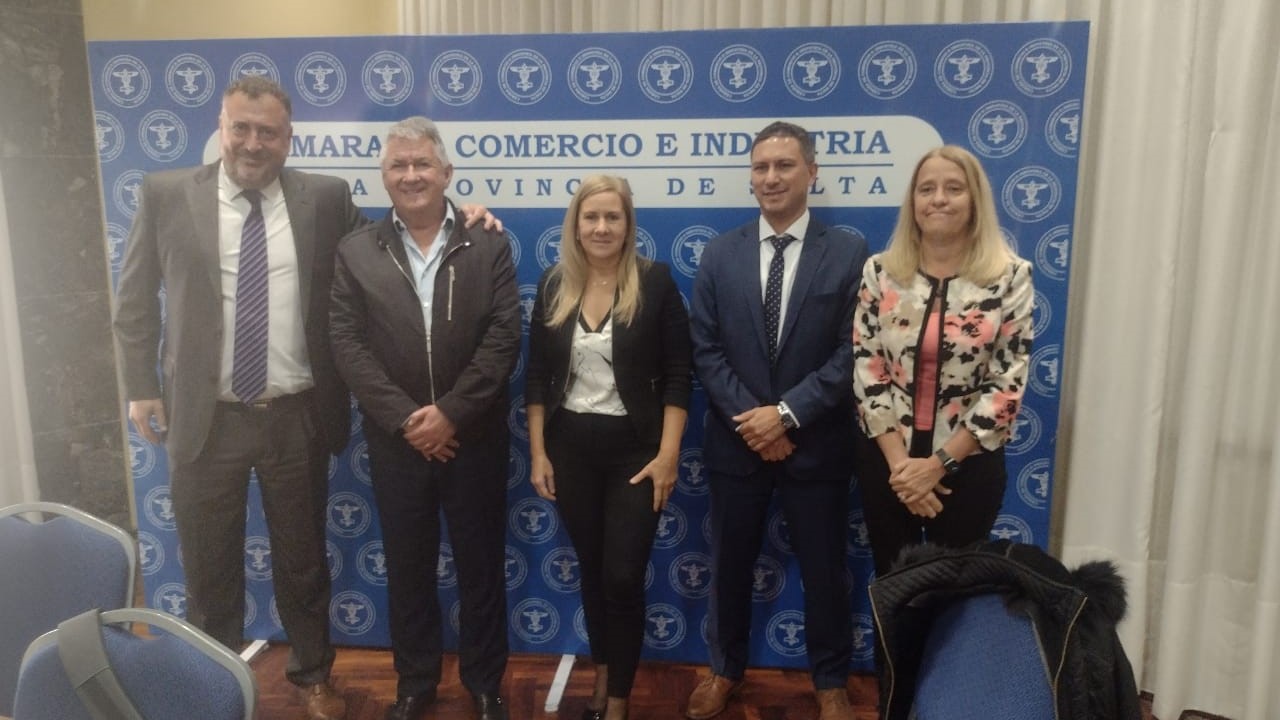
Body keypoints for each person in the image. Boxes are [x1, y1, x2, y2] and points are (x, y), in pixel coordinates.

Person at [112, 77, 498, 720]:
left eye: (267, 132)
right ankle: (212, 684)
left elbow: (396, 243)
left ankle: (313, 676)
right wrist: (141, 386)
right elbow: (132, 300)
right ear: (221, 128)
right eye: (241, 128)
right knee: (207, 565)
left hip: (295, 416)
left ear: (288, 138)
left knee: (302, 560)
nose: (252, 143)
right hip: (203, 417)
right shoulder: (166, 194)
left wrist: (464, 216)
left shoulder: (324, 198)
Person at [329, 116, 521, 720]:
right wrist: (411, 421)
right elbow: (346, 344)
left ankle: (485, 684)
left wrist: (452, 415)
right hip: (398, 443)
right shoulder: (356, 250)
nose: (411, 175)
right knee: (408, 569)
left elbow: (503, 338)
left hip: (474, 438)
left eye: (422, 164)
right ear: (383, 176)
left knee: (480, 567)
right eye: (398, 165)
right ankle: (414, 683)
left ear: (446, 172)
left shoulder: (487, 243)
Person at [686, 121, 869, 720]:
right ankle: (724, 670)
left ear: (811, 172)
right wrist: (756, 423)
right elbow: (706, 350)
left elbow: (852, 352)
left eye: (784, 165)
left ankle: (830, 682)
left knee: (825, 571)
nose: (771, 178)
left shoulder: (848, 254)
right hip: (737, 444)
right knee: (729, 568)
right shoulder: (720, 253)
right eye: (761, 167)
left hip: (815, 444)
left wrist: (786, 416)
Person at [525, 176, 692, 720]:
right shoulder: (554, 284)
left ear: (627, 225)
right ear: (575, 225)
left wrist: (668, 456)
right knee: (594, 571)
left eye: (612, 217)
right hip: (570, 448)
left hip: (636, 453)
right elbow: (536, 376)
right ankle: (603, 675)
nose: (601, 227)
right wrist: (538, 452)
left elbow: (679, 375)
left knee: (622, 576)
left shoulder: (655, 282)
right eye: (591, 217)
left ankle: (618, 701)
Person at [851, 144, 1034, 578]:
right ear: (912, 201)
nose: (938, 199)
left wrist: (937, 467)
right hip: (888, 461)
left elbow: (1007, 382)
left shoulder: (1010, 276)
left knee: (955, 593)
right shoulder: (880, 272)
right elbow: (866, 366)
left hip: (968, 466)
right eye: (926, 189)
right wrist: (903, 470)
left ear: (974, 200)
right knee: (894, 589)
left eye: (953, 188)